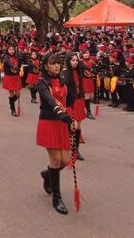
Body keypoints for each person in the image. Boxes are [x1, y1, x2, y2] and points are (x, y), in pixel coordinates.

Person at [36, 52, 75, 215]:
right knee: (56, 159)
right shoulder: (41, 82)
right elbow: (49, 100)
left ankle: (47, 174)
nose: (57, 66)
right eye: (53, 63)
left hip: (62, 122)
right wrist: (60, 112)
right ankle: (56, 198)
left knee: (65, 161)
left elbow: (71, 99)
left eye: (58, 63)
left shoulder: (63, 79)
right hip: (48, 122)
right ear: (46, 66)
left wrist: (73, 115)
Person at [62, 52, 86, 160]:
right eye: (72, 60)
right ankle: (68, 147)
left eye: (76, 60)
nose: (75, 62)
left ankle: (76, 150)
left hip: (79, 100)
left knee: (78, 127)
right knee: (74, 126)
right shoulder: (65, 73)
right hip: (70, 102)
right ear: (68, 61)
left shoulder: (79, 71)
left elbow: (81, 87)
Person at [3, 45, 22, 116]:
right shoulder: (6, 58)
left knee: (18, 94)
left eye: (13, 49)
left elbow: (19, 65)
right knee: (12, 94)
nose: (12, 51)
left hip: (16, 77)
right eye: (10, 49)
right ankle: (13, 110)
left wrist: (19, 68)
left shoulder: (16, 57)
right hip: (9, 77)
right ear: (7, 50)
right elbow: (9, 63)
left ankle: (11, 103)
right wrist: (14, 67)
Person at [79, 46, 96, 119]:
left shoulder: (90, 61)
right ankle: (87, 111)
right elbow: (83, 68)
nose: (87, 54)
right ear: (82, 54)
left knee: (88, 97)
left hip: (90, 80)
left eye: (88, 53)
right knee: (85, 97)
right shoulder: (80, 62)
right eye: (85, 53)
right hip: (84, 80)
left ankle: (87, 111)